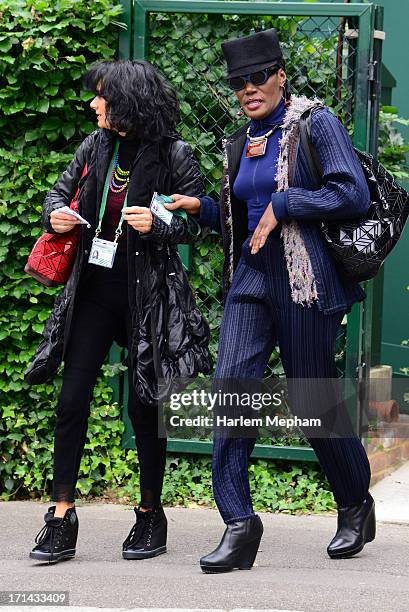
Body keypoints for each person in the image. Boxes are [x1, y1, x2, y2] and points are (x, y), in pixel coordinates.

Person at [166, 28, 376, 572]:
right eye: (239, 82)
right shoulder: (241, 140)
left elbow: (350, 192)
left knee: (313, 406)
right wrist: (203, 208)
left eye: (258, 77)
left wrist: (285, 202)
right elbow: (243, 219)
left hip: (306, 284)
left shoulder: (315, 124)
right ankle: (239, 525)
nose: (249, 89)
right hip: (251, 282)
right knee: (232, 395)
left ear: (281, 74)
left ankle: (355, 502)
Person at [25, 59, 210, 564]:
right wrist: (56, 215)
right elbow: (57, 194)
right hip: (94, 291)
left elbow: (198, 220)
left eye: (101, 95)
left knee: (144, 406)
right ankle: (61, 516)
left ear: (127, 101)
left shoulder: (174, 153)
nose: (93, 104)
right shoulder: (95, 146)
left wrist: (160, 223)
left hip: (148, 295)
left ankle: (151, 515)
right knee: (71, 400)